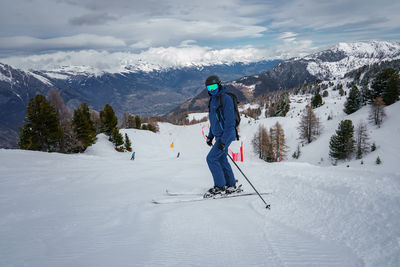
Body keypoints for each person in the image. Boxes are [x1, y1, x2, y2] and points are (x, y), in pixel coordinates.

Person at [204, 75, 237, 197]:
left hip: (226, 136)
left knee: (211, 158)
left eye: (214, 86)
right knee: (222, 159)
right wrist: (210, 136)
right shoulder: (213, 100)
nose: (212, 90)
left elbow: (230, 123)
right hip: (219, 136)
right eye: (209, 87)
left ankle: (220, 186)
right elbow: (214, 121)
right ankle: (231, 184)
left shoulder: (226, 99)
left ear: (219, 84)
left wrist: (223, 141)